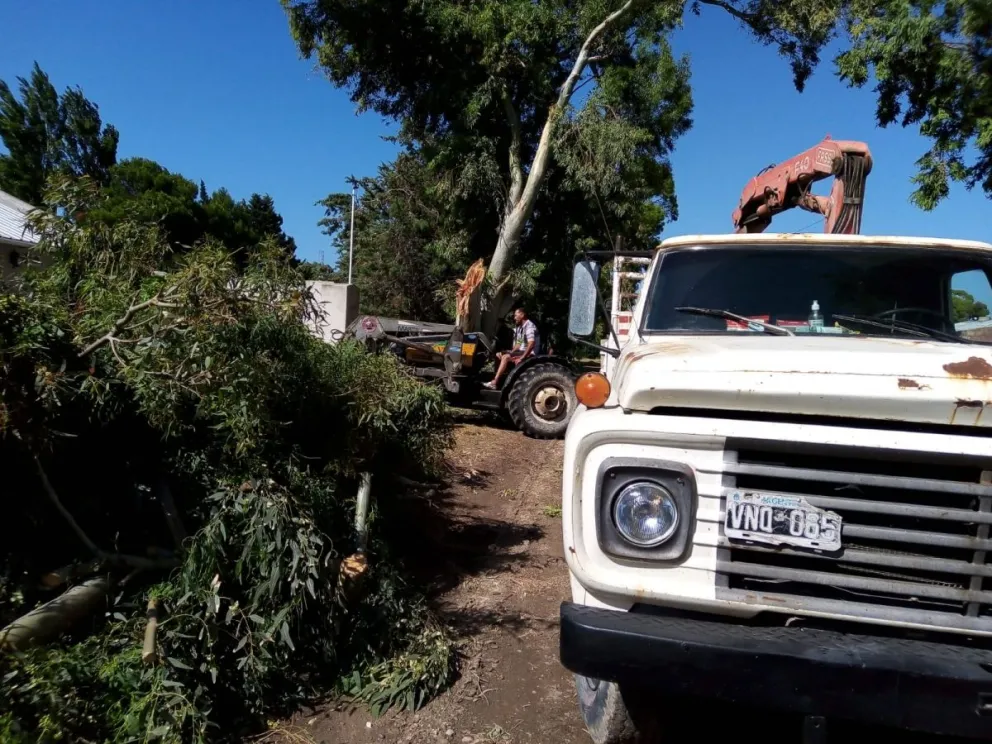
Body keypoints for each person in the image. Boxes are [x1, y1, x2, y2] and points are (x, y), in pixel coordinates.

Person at [484, 307, 540, 390]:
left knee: (505, 357)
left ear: (522, 315)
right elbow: (518, 344)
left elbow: (531, 344)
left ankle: (494, 382)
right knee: (499, 354)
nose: (514, 318)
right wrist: (510, 352)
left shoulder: (529, 327)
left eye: (516, 315)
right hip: (522, 351)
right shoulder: (522, 327)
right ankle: (501, 380)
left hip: (530, 353)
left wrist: (522, 357)